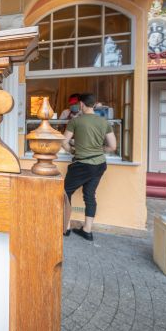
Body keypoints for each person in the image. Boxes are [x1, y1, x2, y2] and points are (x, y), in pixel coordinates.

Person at [61, 93, 117, 241]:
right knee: (90, 195)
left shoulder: (76, 121)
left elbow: (63, 142)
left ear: (81, 104)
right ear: (94, 104)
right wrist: (99, 150)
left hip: (82, 164)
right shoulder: (104, 122)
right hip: (99, 164)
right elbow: (113, 146)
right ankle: (87, 230)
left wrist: (72, 150)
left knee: (65, 193)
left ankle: (66, 227)